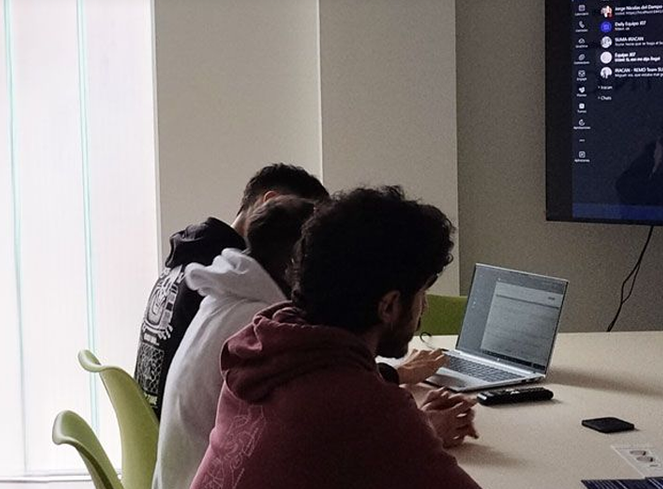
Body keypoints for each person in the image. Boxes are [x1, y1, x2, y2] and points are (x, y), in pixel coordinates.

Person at [190, 186, 481, 489]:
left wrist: (416, 430)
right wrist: (409, 431)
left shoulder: (260, 353)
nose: (425, 307)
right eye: (422, 294)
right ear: (389, 306)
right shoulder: (366, 408)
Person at [135, 164, 330, 414]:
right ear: (273, 203)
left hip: (157, 421)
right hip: (185, 425)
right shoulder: (230, 282)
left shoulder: (192, 261)